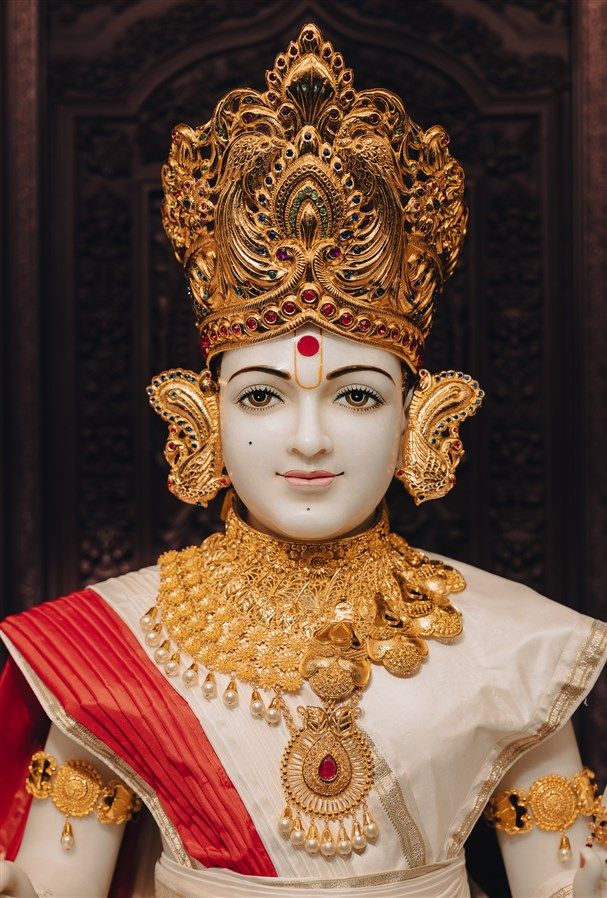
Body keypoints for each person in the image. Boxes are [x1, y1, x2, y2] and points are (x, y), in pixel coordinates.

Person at [1, 23, 605, 898]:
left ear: (420, 419)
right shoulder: (111, 651)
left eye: (356, 395)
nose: (309, 438)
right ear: (197, 417)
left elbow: (562, 885)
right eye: (260, 396)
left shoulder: (512, 646)